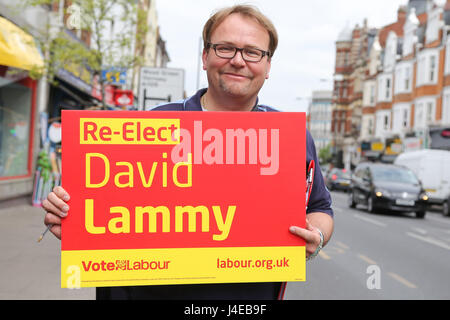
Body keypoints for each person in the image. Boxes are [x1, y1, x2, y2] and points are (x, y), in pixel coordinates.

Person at [43, 4, 334, 300]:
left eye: (252, 52)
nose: (237, 60)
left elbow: (320, 208)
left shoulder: (292, 139)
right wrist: (70, 215)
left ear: (268, 65)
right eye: (225, 48)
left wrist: (318, 235)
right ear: (205, 56)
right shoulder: (149, 126)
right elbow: (103, 211)